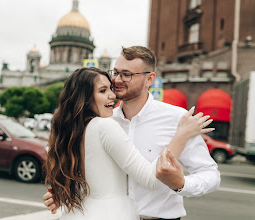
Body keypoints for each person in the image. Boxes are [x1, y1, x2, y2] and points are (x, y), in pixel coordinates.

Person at [45, 66, 214, 219]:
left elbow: (92, 180)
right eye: (102, 91)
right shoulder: (106, 125)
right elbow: (151, 178)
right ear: (84, 99)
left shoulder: (77, 130)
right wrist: (182, 134)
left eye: (110, 88)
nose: (113, 94)